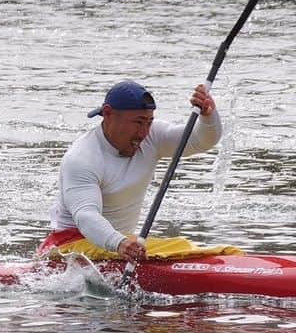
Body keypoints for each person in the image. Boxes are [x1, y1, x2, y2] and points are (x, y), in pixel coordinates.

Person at [40, 79, 241, 262]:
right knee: (179, 246)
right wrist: (118, 243)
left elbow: (199, 141)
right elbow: (86, 216)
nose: (144, 133)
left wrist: (207, 115)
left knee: (176, 245)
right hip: (69, 248)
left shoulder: (152, 136)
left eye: (149, 122)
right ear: (108, 114)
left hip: (121, 245)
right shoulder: (82, 158)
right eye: (137, 123)